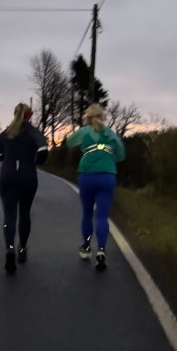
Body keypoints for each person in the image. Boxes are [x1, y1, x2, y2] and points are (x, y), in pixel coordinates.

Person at [66, 103, 125, 270]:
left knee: (87, 214)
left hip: (87, 176)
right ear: (102, 117)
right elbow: (121, 155)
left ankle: (86, 247)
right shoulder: (111, 134)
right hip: (107, 177)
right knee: (102, 217)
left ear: (88, 117)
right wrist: (108, 157)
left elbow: (69, 142)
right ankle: (101, 250)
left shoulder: (84, 132)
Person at [0, 103, 49, 274]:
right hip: (27, 176)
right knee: (24, 214)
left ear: (14, 114)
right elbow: (43, 152)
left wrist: (8, 158)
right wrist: (34, 162)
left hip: (8, 175)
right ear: (29, 116)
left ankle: (9, 249)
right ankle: (22, 249)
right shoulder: (33, 132)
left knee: (9, 215)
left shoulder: (6, 133)